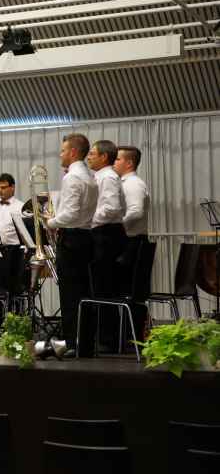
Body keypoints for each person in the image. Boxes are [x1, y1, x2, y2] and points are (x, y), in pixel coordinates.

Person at [45, 133, 98, 357]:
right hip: (86, 237)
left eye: (63, 150)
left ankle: (72, 343)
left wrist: (50, 221)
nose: (60, 154)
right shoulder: (90, 176)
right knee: (83, 293)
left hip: (72, 239)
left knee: (70, 295)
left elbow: (70, 215)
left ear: (73, 152)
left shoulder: (72, 177)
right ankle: (84, 344)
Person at [115, 145, 150, 342]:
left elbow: (136, 211)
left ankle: (131, 338)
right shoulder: (124, 183)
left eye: (117, 159)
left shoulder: (133, 184)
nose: (113, 162)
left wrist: (116, 226)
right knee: (126, 291)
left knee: (131, 293)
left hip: (132, 243)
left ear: (129, 163)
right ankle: (125, 336)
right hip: (130, 243)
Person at [88, 140, 127, 297]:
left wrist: (86, 220)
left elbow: (111, 208)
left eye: (92, 154)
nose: (88, 157)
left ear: (104, 157)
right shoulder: (101, 176)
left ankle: (105, 314)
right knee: (99, 285)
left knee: (104, 287)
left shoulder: (108, 177)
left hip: (106, 235)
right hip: (104, 233)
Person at [0, 173, 24, 246]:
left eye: (3, 188)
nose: (0, 191)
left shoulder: (21, 207)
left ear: (12, 187)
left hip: (15, 248)